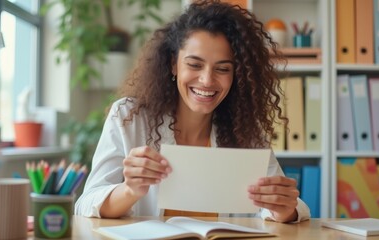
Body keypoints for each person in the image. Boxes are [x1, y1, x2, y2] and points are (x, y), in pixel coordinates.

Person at [75, 0, 310, 223]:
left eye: (223, 69)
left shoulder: (246, 129)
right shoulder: (129, 117)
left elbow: (289, 208)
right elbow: (86, 204)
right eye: (194, 65)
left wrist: (284, 208)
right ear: (173, 64)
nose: (207, 80)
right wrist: (129, 190)